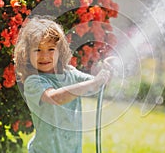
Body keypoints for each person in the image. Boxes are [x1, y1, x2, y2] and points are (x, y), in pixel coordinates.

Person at [14, 15, 112, 153]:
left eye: (51, 49)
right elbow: (54, 97)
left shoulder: (70, 73)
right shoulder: (34, 81)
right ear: (26, 53)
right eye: (38, 50)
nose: (44, 56)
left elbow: (96, 85)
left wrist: (106, 74)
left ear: (60, 51)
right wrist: (93, 83)